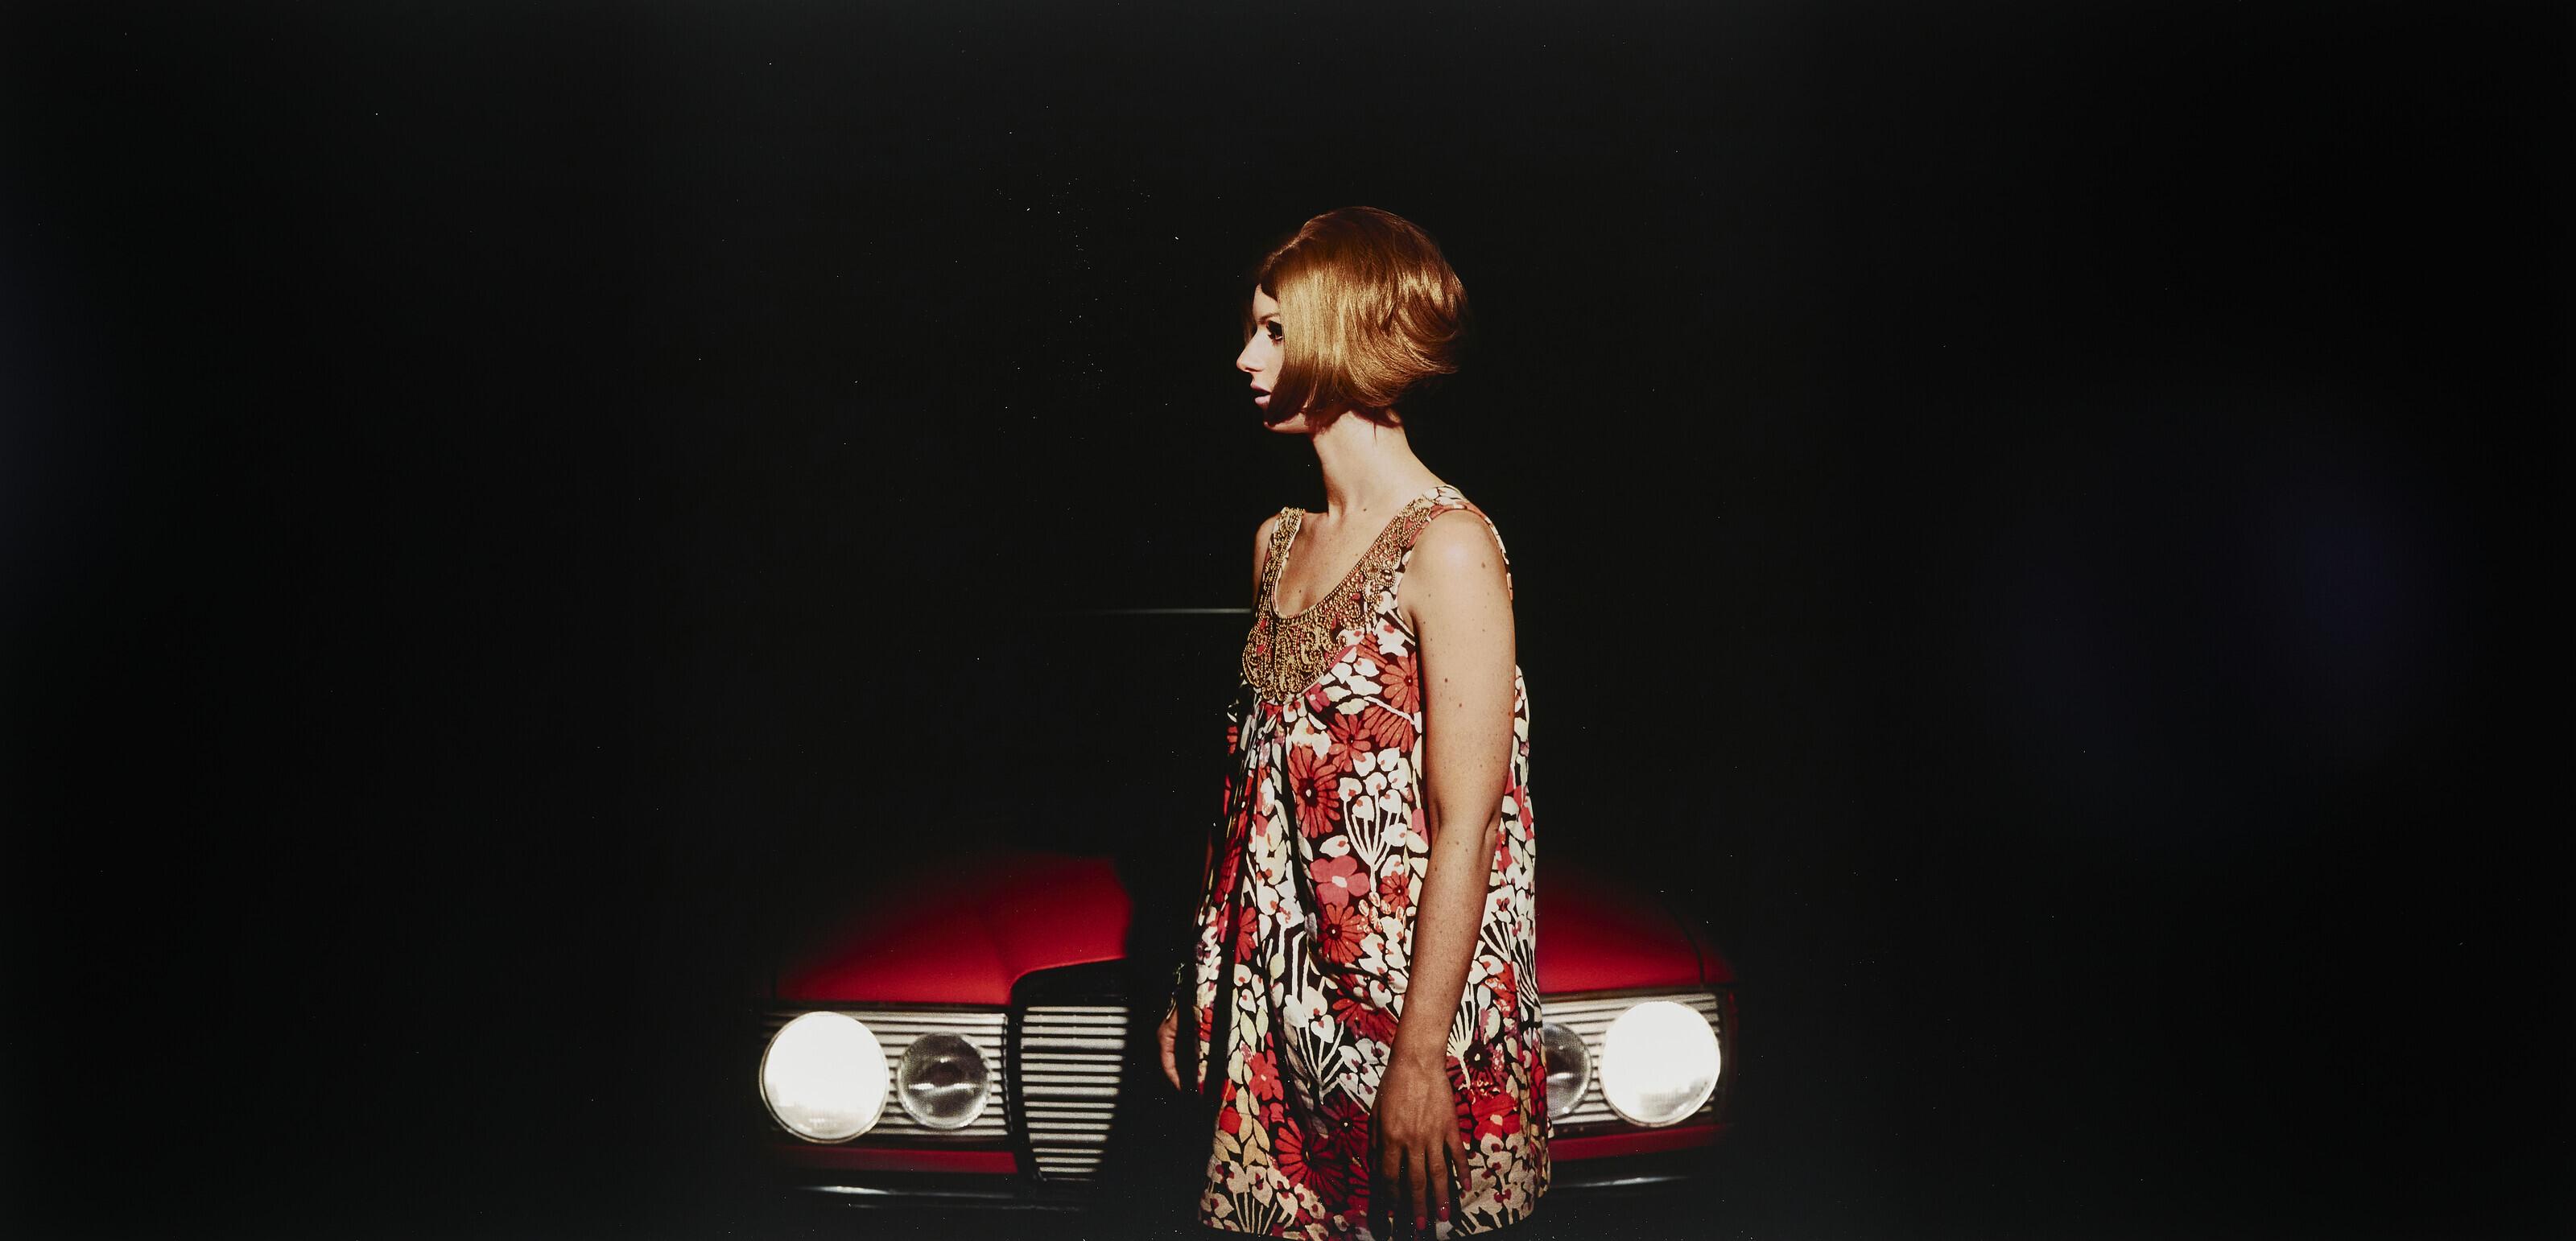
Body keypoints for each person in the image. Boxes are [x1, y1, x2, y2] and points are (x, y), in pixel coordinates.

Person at [1156, 206, 1546, 1239]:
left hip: (1406, 1021)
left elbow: (1469, 825)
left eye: (1275, 331)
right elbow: (1246, 797)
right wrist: (1198, 981)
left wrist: (1418, 1062)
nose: (1245, 358)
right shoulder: (1276, 544)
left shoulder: (1448, 547)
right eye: (1252, 329)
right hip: (1272, 1016)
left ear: (1344, 335)